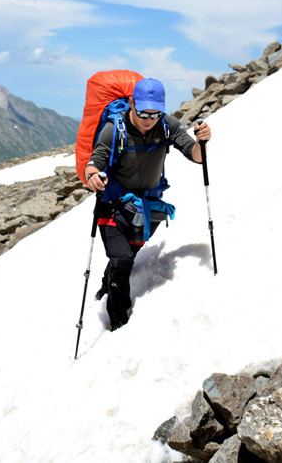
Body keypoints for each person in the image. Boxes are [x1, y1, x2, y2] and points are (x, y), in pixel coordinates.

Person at [85, 77, 211, 330]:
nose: (148, 119)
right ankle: (118, 321)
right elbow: (94, 161)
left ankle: (105, 282)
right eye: (142, 112)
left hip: (147, 206)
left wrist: (202, 142)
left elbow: (196, 156)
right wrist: (92, 177)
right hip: (113, 203)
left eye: (155, 114)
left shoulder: (167, 126)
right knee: (122, 261)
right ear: (131, 103)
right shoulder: (114, 129)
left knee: (128, 254)